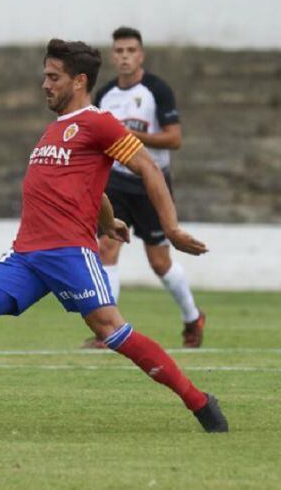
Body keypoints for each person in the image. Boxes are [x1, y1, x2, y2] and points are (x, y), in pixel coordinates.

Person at [0, 39, 228, 433]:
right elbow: (91, 187)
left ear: (79, 81)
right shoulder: (55, 130)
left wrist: (171, 228)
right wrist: (107, 220)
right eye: (45, 75)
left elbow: (148, 166)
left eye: (54, 77)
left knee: (111, 331)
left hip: (68, 252)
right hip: (26, 255)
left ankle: (199, 401)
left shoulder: (99, 121)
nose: (45, 84)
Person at [89, 26, 205, 349]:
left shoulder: (157, 90)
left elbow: (175, 139)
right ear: (113, 56)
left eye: (131, 51)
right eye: (119, 51)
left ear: (141, 55)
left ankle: (193, 317)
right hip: (116, 183)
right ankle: (107, 331)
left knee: (159, 262)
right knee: (106, 249)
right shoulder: (105, 95)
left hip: (151, 183)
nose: (125, 56)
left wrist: (130, 138)